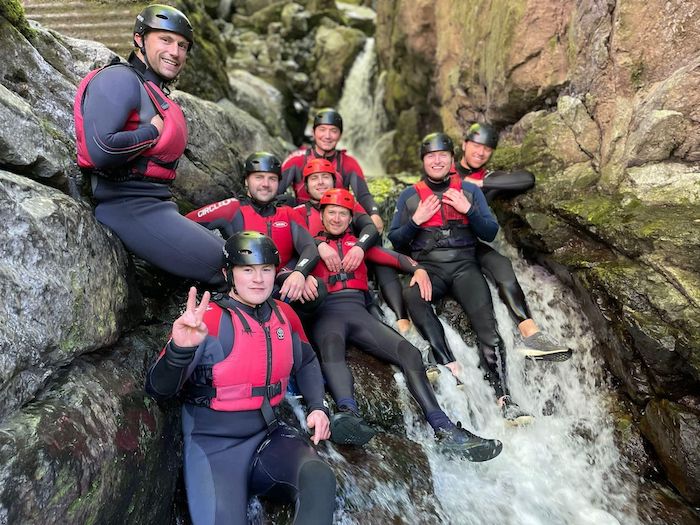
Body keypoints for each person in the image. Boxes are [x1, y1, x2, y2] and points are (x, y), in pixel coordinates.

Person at [145, 232, 335, 525]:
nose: (258, 279)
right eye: (247, 270)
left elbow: (307, 360)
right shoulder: (207, 319)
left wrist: (317, 406)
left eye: (266, 269)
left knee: (319, 477)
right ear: (228, 274)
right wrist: (179, 350)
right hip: (213, 448)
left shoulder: (284, 315)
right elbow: (158, 389)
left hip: (268, 438)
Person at [308, 188, 503, 462]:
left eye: (343, 213)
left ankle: (443, 428)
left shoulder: (361, 246)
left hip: (358, 312)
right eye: (332, 213)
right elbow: (288, 269)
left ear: (351, 218)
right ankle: (347, 414)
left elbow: (395, 258)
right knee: (331, 347)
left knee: (410, 354)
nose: (337, 218)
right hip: (327, 313)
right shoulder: (310, 246)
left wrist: (419, 268)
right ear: (321, 215)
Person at [74, 4, 226, 289]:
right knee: (236, 271)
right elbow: (101, 150)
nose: (175, 52)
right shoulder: (119, 78)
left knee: (245, 258)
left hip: (157, 206)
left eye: (182, 46)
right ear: (139, 39)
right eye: (165, 40)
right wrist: (151, 131)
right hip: (127, 206)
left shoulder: (152, 90)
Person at [388, 132, 532, 425]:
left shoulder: (470, 191)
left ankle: (504, 397)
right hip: (431, 268)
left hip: (465, 266)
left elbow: (490, 233)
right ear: (424, 162)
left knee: (487, 324)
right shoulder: (409, 196)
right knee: (413, 296)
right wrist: (415, 222)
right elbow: (396, 242)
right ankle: (447, 362)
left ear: (452, 159)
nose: (437, 160)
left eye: (443, 155)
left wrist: (469, 211)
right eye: (431, 156)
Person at [454, 123, 571, 361]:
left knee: (503, 266)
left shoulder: (487, 178)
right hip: (441, 248)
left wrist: (481, 184)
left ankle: (532, 336)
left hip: (471, 244)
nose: (480, 152)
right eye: (476, 145)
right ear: (464, 145)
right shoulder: (443, 168)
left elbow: (526, 179)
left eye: (487, 149)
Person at [294, 158, 412, 332]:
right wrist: (318, 244)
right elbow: (295, 239)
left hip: (353, 267)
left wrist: (359, 247)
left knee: (378, 256)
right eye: (314, 178)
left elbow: (370, 228)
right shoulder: (299, 211)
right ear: (305, 184)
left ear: (334, 181)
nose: (320, 182)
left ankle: (401, 318)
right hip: (322, 282)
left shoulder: (348, 204)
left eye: (325, 177)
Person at [186, 152, 320, 305]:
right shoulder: (232, 208)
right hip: (244, 287)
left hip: (280, 284)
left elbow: (309, 247)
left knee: (316, 290)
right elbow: (186, 224)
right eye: (259, 177)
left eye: (272, 179)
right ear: (246, 181)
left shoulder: (288, 213)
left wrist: (300, 273)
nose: (266, 184)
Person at [278, 108, 384, 232]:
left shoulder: (349, 163)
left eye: (333, 131)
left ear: (340, 135)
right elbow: (275, 193)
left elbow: (363, 196)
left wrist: (374, 213)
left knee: (372, 226)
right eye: (322, 130)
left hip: (339, 225)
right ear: (313, 132)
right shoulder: (296, 160)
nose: (327, 136)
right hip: (304, 225)